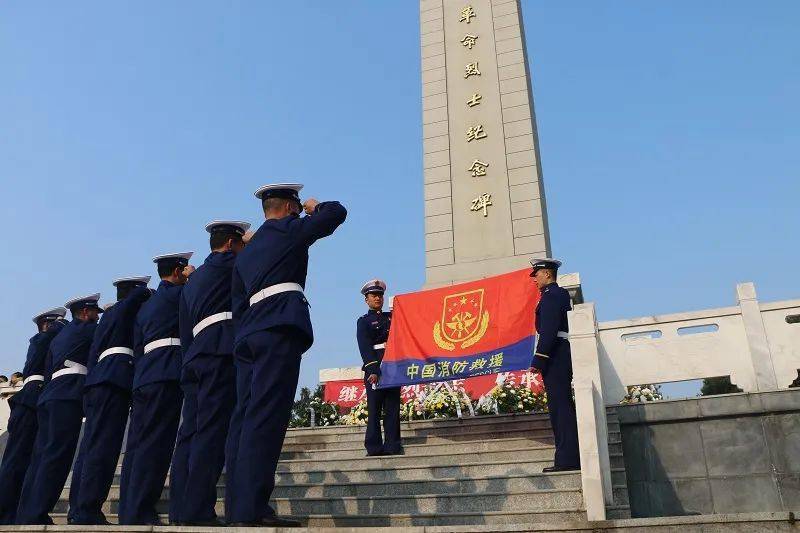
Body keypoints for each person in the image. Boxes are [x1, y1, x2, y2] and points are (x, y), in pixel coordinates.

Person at [225, 183, 346, 527]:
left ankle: (238, 508)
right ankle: (252, 510)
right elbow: (336, 213)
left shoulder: (245, 253)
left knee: (244, 420)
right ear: (290, 206)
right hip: (278, 329)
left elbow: (236, 306)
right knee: (266, 419)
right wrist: (313, 205)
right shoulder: (289, 229)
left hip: (249, 335)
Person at [169, 221, 250, 526]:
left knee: (191, 434)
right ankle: (198, 510)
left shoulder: (195, 280)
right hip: (220, 351)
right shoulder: (234, 262)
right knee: (213, 434)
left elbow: (184, 328)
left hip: (195, 357)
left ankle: (182, 509)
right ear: (231, 243)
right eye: (241, 242)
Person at [68, 276, 152, 525]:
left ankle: (79, 508)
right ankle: (88, 510)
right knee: (103, 449)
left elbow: (93, 355)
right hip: (114, 381)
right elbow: (130, 304)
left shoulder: (105, 320)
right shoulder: (119, 311)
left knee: (91, 449)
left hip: (98, 382)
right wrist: (144, 293)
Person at [118, 253, 194, 525]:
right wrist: (193, 278)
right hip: (167, 371)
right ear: (177, 271)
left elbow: (138, 347)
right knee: (156, 446)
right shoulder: (180, 295)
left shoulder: (147, 307)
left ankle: (129, 510)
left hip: (146, 374)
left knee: (138, 446)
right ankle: (140, 510)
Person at [15, 294, 103, 524]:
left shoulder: (59, 338)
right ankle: (36, 514)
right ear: (84, 313)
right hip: (68, 396)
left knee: (41, 457)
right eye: (94, 313)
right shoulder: (87, 330)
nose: (96, 318)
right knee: (57, 458)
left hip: (50, 396)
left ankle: (28, 512)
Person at [0, 307, 67, 524]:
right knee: (15, 461)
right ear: (47, 325)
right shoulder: (38, 340)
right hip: (29, 400)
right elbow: (43, 344)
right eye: (56, 324)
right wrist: (57, 329)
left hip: (38, 399)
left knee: (30, 461)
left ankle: (18, 511)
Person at [529, 258, 580, 472]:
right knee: (560, 407)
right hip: (558, 353)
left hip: (556, 355)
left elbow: (549, 330)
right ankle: (568, 457)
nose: (535, 280)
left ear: (547, 274)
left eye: (537, 275)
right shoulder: (553, 295)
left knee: (561, 408)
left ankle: (567, 459)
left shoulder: (552, 296)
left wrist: (539, 358)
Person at [356, 279, 402, 457]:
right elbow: (365, 347)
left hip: (393, 367)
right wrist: (373, 370)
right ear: (366, 299)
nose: (378, 298)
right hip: (375, 368)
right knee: (374, 409)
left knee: (392, 409)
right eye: (374, 295)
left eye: (380, 295)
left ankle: (393, 445)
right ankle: (374, 447)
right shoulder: (364, 322)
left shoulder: (391, 318)